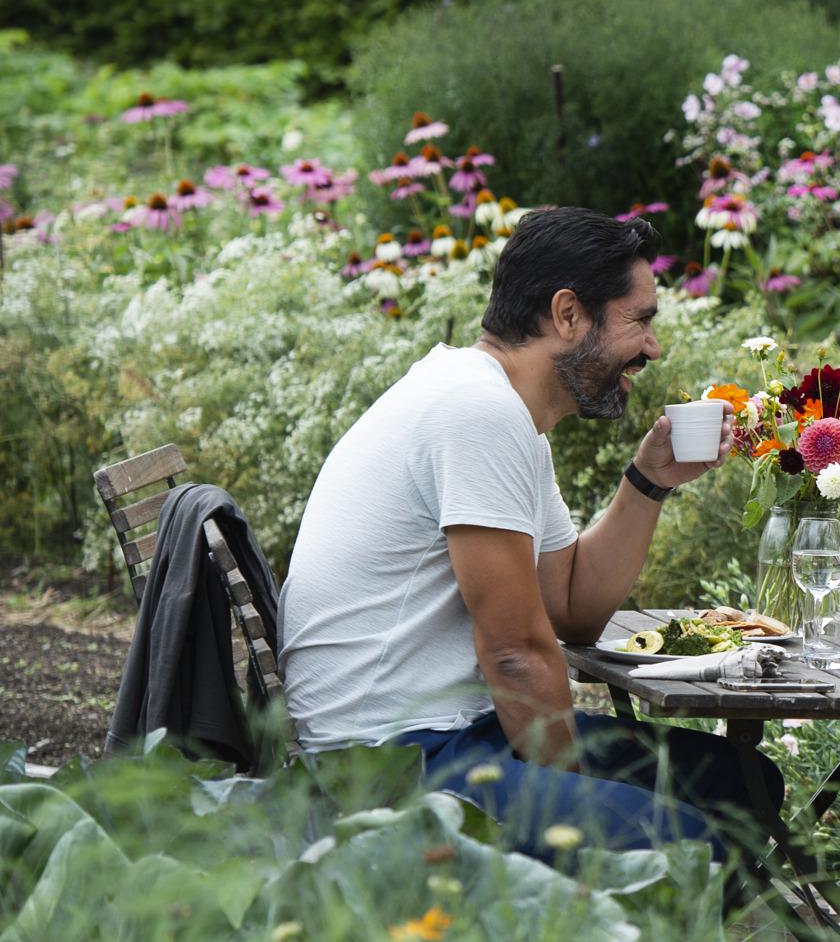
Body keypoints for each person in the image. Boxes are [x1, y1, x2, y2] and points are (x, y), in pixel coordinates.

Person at [278, 206, 783, 875]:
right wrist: (579, 790)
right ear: (568, 314)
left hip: (456, 735)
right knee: (690, 844)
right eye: (641, 319)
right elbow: (516, 654)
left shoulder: (500, 411)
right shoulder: (475, 412)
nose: (653, 348)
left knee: (743, 785)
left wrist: (649, 479)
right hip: (389, 763)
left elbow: (570, 607)